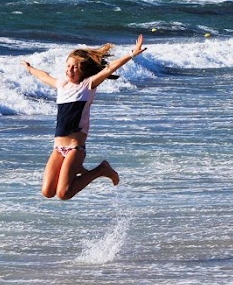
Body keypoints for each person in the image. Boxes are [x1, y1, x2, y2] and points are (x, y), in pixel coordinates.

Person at [22, 35, 146, 201]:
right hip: (58, 148)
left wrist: (131, 54)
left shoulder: (87, 86)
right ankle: (78, 168)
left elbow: (109, 69)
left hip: (75, 148)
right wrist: (30, 69)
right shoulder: (62, 85)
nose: (70, 70)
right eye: (68, 66)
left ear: (83, 70)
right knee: (47, 192)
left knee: (63, 193)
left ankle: (102, 169)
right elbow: (45, 76)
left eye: (75, 67)